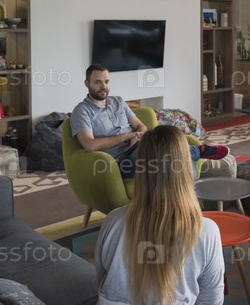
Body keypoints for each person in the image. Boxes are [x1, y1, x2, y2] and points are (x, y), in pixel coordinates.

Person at [95, 124, 225, 304]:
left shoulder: (112, 221)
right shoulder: (207, 231)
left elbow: (102, 279)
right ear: (187, 168)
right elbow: (211, 299)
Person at [71, 63, 229, 177]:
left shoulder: (117, 101)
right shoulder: (82, 111)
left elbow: (141, 126)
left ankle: (187, 191)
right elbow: (90, 145)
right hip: (121, 161)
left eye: (106, 81)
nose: (103, 86)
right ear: (87, 83)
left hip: (139, 147)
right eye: (97, 82)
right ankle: (198, 151)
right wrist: (127, 137)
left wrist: (137, 137)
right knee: (168, 153)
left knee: (169, 140)